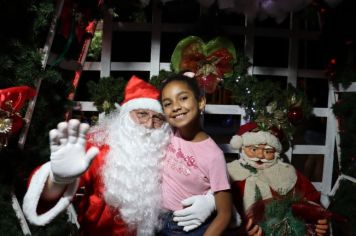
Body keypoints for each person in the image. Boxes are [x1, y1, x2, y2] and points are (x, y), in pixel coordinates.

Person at [22, 75, 217, 236]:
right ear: (125, 116)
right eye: (141, 114)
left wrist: (211, 200)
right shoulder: (98, 148)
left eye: (158, 118)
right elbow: (47, 195)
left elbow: (210, 175)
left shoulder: (168, 148)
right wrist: (57, 180)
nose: (149, 125)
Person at [158, 73, 233, 235]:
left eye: (183, 98)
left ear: (201, 102)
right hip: (158, 221)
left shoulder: (214, 155)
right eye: (167, 103)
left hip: (189, 228)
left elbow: (225, 213)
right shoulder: (169, 133)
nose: (176, 106)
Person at [227, 121, 329, 236]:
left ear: (276, 152)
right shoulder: (229, 173)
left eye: (267, 151)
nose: (260, 156)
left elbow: (310, 200)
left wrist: (317, 221)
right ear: (242, 147)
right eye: (254, 149)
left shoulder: (287, 173)